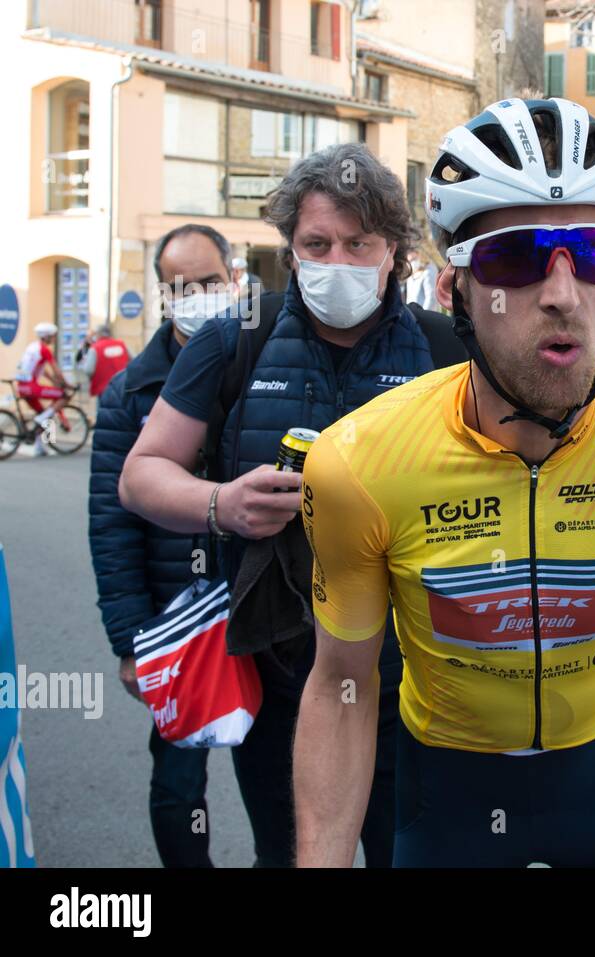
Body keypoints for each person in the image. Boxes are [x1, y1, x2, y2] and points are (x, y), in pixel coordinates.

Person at [293, 97, 595, 868]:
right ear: (457, 293)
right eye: (516, 258)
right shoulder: (359, 460)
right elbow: (341, 688)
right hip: (448, 793)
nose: (562, 293)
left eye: (594, 253)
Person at [119, 142, 460, 867]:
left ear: (394, 251)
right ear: (290, 249)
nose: (336, 260)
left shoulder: (444, 349)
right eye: (316, 243)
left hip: (414, 684)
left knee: (406, 854)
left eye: (358, 243)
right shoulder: (234, 337)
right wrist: (223, 502)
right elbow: (142, 474)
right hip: (281, 672)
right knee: (290, 852)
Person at [88, 222, 240, 867]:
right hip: (178, 627)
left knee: (291, 771)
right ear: (161, 294)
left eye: (208, 281)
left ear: (235, 281)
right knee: (180, 782)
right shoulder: (130, 393)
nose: (195, 295)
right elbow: (111, 525)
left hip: (265, 611)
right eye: (179, 286)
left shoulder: (260, 364)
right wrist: (130, 643)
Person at [14, 322, 71, 456]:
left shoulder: (32, 346)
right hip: (31, 387)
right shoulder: (44, 350)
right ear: (47, 337)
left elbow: (41, 369)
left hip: (22, 386)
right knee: (64, 396)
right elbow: (57, 371)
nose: (54, 339)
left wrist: (52, 381)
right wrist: (66, 384)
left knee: (43, 412)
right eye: (53, 336)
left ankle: (39, 447)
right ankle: (41, 420)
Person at [75, 324, 132, 402]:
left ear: (98, 334)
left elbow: (88, 370)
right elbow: (134, 361)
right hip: (122, 386)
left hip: (103, 388)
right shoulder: (121, 345)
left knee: (105, 412)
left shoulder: (96, 348)